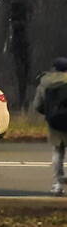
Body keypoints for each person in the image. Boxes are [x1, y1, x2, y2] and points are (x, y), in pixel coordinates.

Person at [32, 57, 67, 196]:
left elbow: (37, 105)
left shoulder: (45, 82)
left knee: (58, 152)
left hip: (55, 123)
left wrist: (50, 113)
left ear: (54, 68)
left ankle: (58, 185)